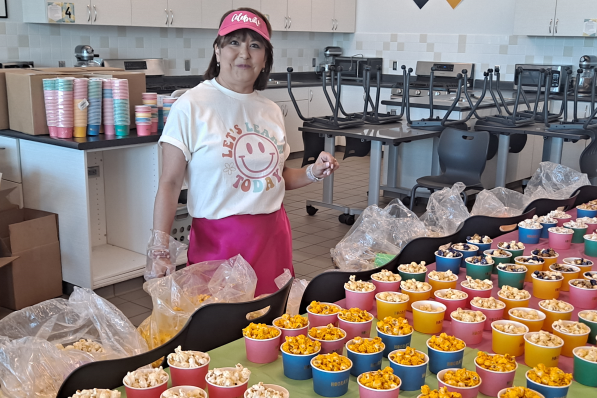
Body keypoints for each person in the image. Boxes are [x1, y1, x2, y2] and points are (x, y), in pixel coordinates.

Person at [147, 8, 339, 295]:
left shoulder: (270, 110)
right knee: (221, 327)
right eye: (234, 42)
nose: (244, 53)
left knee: (271, 325)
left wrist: (313, 172)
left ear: (265, 59)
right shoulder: (191, 105)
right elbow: (170, 182)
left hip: (272, 238)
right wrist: (160, 246)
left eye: (255, 45)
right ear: (217, 50)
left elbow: (276, 176)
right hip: (218, 243)